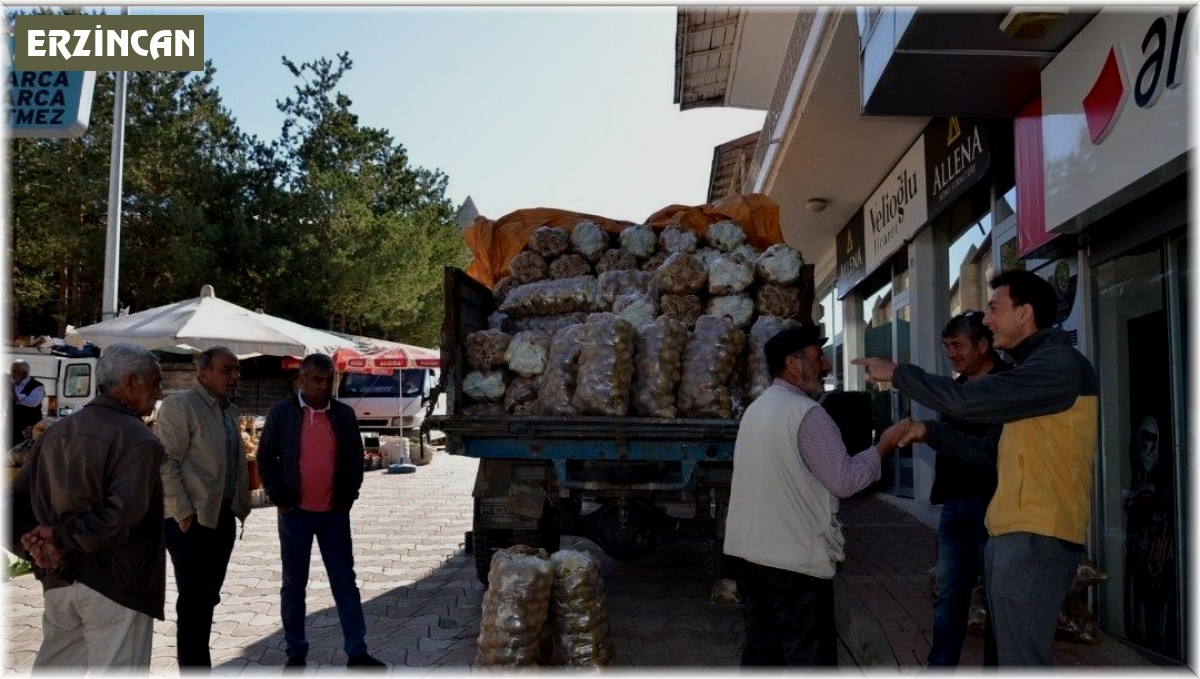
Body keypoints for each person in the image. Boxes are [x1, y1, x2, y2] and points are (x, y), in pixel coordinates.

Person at [853, 270, 1099, 666]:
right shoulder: (1031, 371)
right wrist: (929, 432)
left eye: (994, 308)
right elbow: (988, 454)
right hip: (1014, 529)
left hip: (1038, 533)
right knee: (1011, 656)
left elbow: (966, 402)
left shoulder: (1057, 366)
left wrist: (899, 374)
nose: (987, 319)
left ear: (1025, 313)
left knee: (1021, 661)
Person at [724, 325, 911, 666]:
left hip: (752, 557)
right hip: (793, 564)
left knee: (763, 652)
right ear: (793, 364)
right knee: (810, 658)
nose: (826, 365)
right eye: (818, 356)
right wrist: (884, 445)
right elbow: (845, 481)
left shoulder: (758, 409)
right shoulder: (807, 414)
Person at [7, 343, 166, 670]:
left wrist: (37, 547)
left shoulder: (57, 432)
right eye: (155, 383)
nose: (159, 393)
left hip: (61, 580)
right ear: (130, 382)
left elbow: (11, 507)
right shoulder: (139, 439)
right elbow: (117, 517)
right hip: (115, 585)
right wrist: (51, 540)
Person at [256, 353, 385, 669]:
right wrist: (279, 496)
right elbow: (265, 457)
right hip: (295, 513)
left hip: (334, 514)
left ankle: (357, 652)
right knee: (293, 585)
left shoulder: (343, 415)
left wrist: (348, 496)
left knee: (344, 582)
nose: (324, 386)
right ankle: (295, 653)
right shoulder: (282, 413)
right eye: (316, 379)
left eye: (329, 380)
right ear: (301, 380)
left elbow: (355, 459)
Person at [156, 346, 251, 670]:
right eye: (227, 370)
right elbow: (166, 462)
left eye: (237, 370)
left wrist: (240, 504)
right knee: (194, 603)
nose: (235, 376)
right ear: (204, 373)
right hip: (191, 521)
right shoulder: (180, 406)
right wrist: (183, 512)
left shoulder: (228, 410)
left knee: (206, 598)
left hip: (221, 517)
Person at [925, 311, 1010, 667]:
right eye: (947, 346)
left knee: (998, 601)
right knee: (948, 598)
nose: (952, 354)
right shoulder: (957, 388)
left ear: (983, 344)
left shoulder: (1009, 384)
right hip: (955, 507)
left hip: (994, 509)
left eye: (957, 345)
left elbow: (991, 453)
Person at [10, 360, 45, 448]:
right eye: (11, 371)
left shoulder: (37, 386)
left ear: (24, 373)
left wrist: (14, 395)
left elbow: (33, 402)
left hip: (30, 429)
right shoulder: (11, 385)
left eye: (14, 371)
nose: (12, 374)